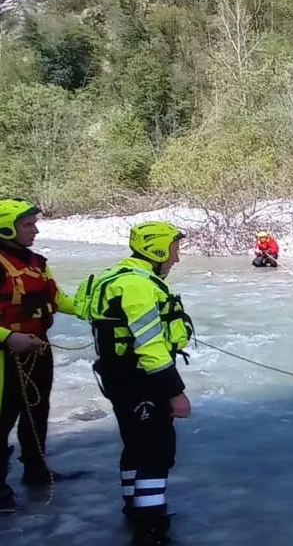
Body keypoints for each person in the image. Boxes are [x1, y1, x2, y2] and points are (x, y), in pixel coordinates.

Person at [74, 221, 194, 545]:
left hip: (117, 378)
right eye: (174, 250)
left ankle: (133, 507)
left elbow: (83, 308)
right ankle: (151, 528)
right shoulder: (139, 286)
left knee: (135, 446)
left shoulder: (111, 278)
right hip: (142, 380)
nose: (176, 259)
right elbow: (150, 345)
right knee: (156, 451)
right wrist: (176, 392)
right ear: (156, 250)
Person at [0, 198, 85, 513]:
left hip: (37, 347)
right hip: (4, 353)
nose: (35, 230)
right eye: (28, 225)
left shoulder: (37, 262)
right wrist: (8, 337)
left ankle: (36, 471)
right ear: (7, 228)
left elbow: (58, 298)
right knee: (3, 417)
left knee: (37, 410)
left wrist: (94, 311)